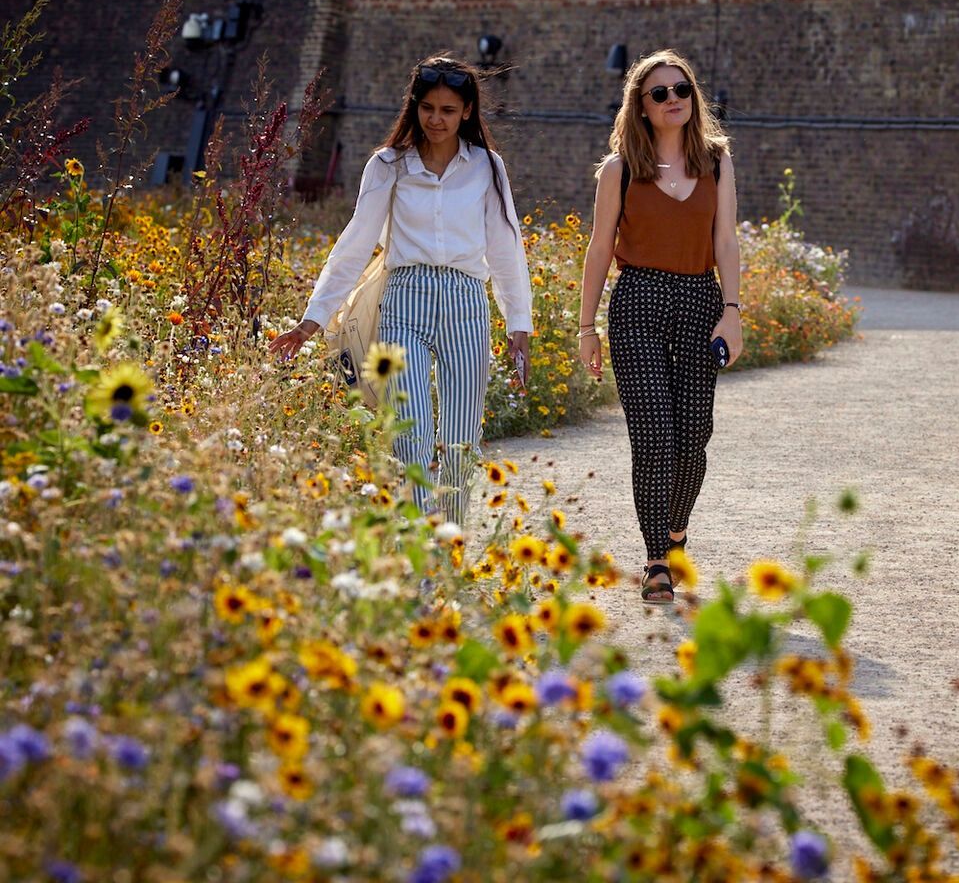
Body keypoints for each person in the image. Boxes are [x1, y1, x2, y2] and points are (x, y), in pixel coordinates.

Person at [269, 54, 532, 524]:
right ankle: (417, 543)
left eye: (448, 111)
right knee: (408, 431)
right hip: (404, 300)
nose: (436, 119)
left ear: (467, 112)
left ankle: (449, 542)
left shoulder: (487, 168)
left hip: (466, 300)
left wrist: (519, 324)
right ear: (414, 106)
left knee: (459, 436)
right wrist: (311, 321)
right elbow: (354, 244)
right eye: (427, 108)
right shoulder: (388, 165)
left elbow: (506, 249)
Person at [577, 49, 743, 604]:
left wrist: (733, 312)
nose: (674, 100)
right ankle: (656, 561)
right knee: (654, 438)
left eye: (682, 90)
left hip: (701, 299)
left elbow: (725, 240)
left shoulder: (716, 162)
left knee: (693, 438)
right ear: (641, 107)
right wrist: (586, 326)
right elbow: (600, 249)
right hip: (639, 302)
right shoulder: (620, 171)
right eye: (660, 93)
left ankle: (675, 533)